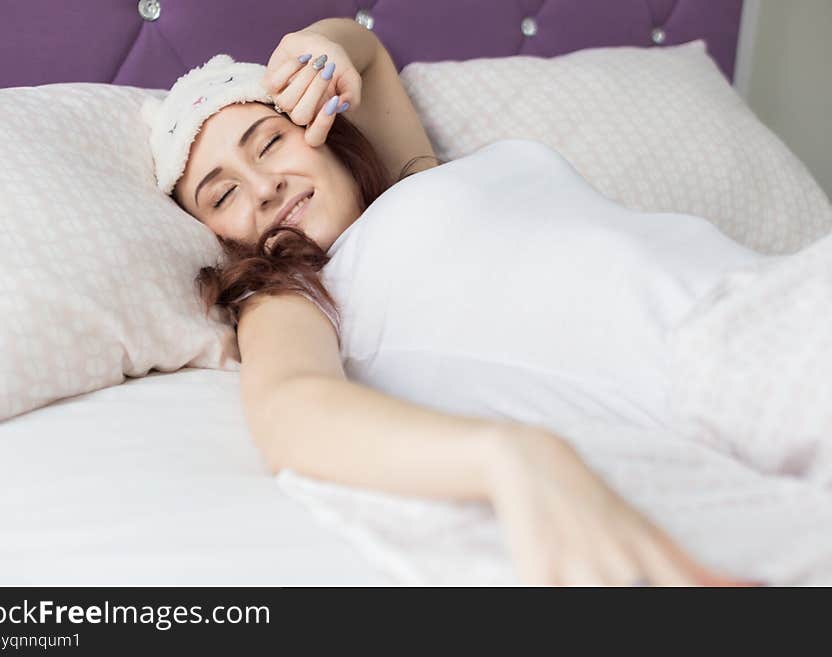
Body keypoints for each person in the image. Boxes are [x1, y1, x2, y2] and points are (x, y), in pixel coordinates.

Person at [141, 17, 759, 586]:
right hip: (712, 373)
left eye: (270, 142)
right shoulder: (289, 291)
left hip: (759, 291)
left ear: (319, 129)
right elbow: (290, 410)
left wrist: (317, 47)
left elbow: (370, 58)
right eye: (222, 196)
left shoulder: (418, 179)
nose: (264, 185)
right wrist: (509, 456)